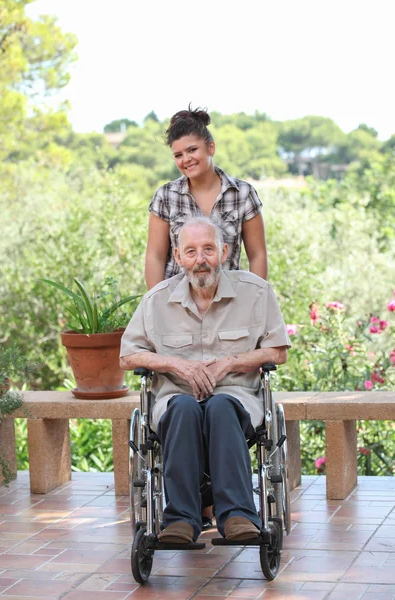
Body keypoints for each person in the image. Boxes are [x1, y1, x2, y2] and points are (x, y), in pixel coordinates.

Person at [120, 217, 290, 543]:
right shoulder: (156, 300)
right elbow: (128, 356)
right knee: (184, 409)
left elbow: (277, 352)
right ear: (178, 256)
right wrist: (175, 364)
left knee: (221, 407)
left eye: (208, 249)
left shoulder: (255, 292)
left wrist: (229, 363)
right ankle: (181, 521)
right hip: (175, 398)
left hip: (237, 396)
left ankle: (239, 516)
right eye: (192, 251)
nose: (201, 259)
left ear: (224, 252)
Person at [145, 106, 268, 291]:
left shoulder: (243, 194)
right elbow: (155, 257)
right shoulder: (165, 196)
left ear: (211, 147)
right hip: (176, 306)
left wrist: (253, 301)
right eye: (178, 155)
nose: (186, 159)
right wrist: (157, 306)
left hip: (230, 305)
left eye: (192, 150)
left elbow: (258, 255)